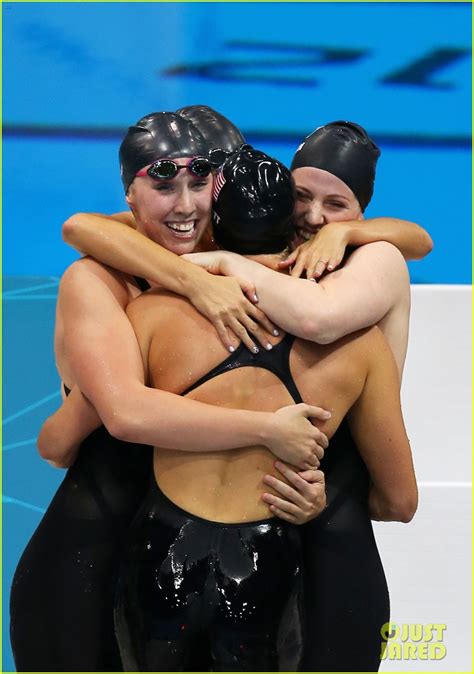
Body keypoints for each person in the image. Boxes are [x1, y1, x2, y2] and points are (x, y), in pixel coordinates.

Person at [9, 110, 327, 673]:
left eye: (202, 183)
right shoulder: (101, 277)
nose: (187, 206)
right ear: (130, 195)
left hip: (198, 570)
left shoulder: (242, 265)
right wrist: (269, 431)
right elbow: (121, 416)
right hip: (90, 560)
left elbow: (402, 238)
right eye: (163, 185)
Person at [113, 146, 417, 672]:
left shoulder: (149, 313)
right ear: (291, 223)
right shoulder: (359, 345)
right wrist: (327, 506)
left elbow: (87, 439)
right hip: (272, 562)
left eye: (334, 208)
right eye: (304, 200)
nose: (316, 218)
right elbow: (400, 500)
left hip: (160, 558)